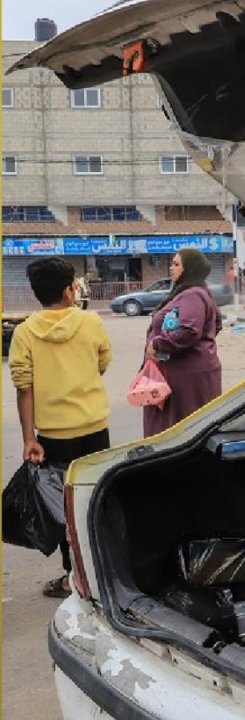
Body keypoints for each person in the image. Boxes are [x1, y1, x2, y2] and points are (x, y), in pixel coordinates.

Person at [8, 256, 113, 598]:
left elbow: (24, 388)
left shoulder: (25, 332)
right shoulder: (91, 322)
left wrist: (29, 439)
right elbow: (102, 362)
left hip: (54, 437)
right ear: (69, 291)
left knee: (64, 508)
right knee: (97, 500)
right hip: (95, 429)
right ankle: (104, 572)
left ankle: (74, 578)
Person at [143, 248, 223, 437]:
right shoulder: (193, 293)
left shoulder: (192, 295)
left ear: (190, 268)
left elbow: (189, 330)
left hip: (186, 378)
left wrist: (158, 344)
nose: (171, 268)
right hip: (186, 374)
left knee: (183, 431)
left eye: (177, 264)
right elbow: (215, 325)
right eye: (172, 263)